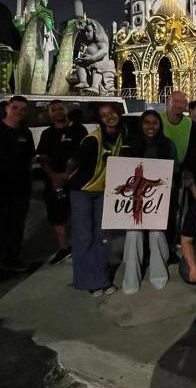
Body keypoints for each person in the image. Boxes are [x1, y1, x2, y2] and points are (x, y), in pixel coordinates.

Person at [65, 102, 128, 296]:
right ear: (99, 119)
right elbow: (73, 162)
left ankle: (101, 278)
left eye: (112, 113)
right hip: (82, 191)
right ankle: (87, 281)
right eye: (104, 115)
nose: (109, 116)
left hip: (103, 191)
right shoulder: (93, 140)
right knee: (84, 237)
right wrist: (62, 180)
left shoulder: (121, 135)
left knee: (103, 236)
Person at [121, 110, 176, 294]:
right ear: (141, 124)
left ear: (160, 125)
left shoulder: (168, 145)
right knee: (133, 234)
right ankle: (130, 279)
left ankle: (158, 274)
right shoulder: (129, 145)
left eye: (155, 123)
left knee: (155, 233)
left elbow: (174, 171)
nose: (151, 126)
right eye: (147, 122)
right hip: (133, 200)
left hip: (157, 200)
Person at [0, 95, 35, 279]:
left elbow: (29, 157)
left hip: (21, 187)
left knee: (17, 225)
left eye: (23, 109)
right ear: (7, 108)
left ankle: (13, 260)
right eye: (15, 108)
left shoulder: (25, 133)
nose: (19, 112)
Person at [37, 100, 88, 265]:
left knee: (78, 214)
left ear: (66, 111)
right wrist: (53, 176)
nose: (57, 112)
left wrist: (67, 173)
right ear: (49, 114)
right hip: (54, 182)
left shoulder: (79, 129)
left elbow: (82, 153)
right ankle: (64, 248)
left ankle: (81, 245)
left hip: (76, 180)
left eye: (60, 108)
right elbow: (42, 156)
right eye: (53, 110)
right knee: (57, 216)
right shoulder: (47, 134)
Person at [160, 91, 192, 256]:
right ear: (168, 101)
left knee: (175, 212)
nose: (180, 104)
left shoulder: (189, 123)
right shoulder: (159, 119)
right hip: (158, 173)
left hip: (178, 173)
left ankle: (171, 247)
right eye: (176, 100)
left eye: (183, 101)